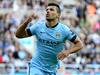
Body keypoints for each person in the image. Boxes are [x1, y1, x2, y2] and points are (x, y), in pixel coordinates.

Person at [15, 3, 83, 75]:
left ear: (58, 15)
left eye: (51, 10)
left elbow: (80, 44)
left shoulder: (64, 30)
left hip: (52, 70)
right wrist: (26, 23)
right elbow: (18, 35)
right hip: (36, 67)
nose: (48, 11)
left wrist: (68, 52)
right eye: (47, 10)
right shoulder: (38, 26)